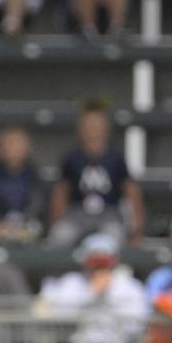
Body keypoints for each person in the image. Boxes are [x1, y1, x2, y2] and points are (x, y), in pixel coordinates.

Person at [47, 101, 145, 248]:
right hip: (77, 214)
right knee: (60, 236)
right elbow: (61, 193)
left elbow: (131, 191)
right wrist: (56, 222)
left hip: (109, 214)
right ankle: (58, 271)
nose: (93, 130)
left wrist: (136, 227)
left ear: (107, 129)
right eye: (88, 126)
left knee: (114, 237)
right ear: (80, 129)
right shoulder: (71, 158)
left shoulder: (116, 158)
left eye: (97, 126)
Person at [36, 233, 149, 343]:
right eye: (94, 263)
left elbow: (137, 324)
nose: (98, 269)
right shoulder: (72, 282)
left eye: (104, 263)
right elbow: (57, 317)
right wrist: (89, 294)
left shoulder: (129, 286)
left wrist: (108, 299)